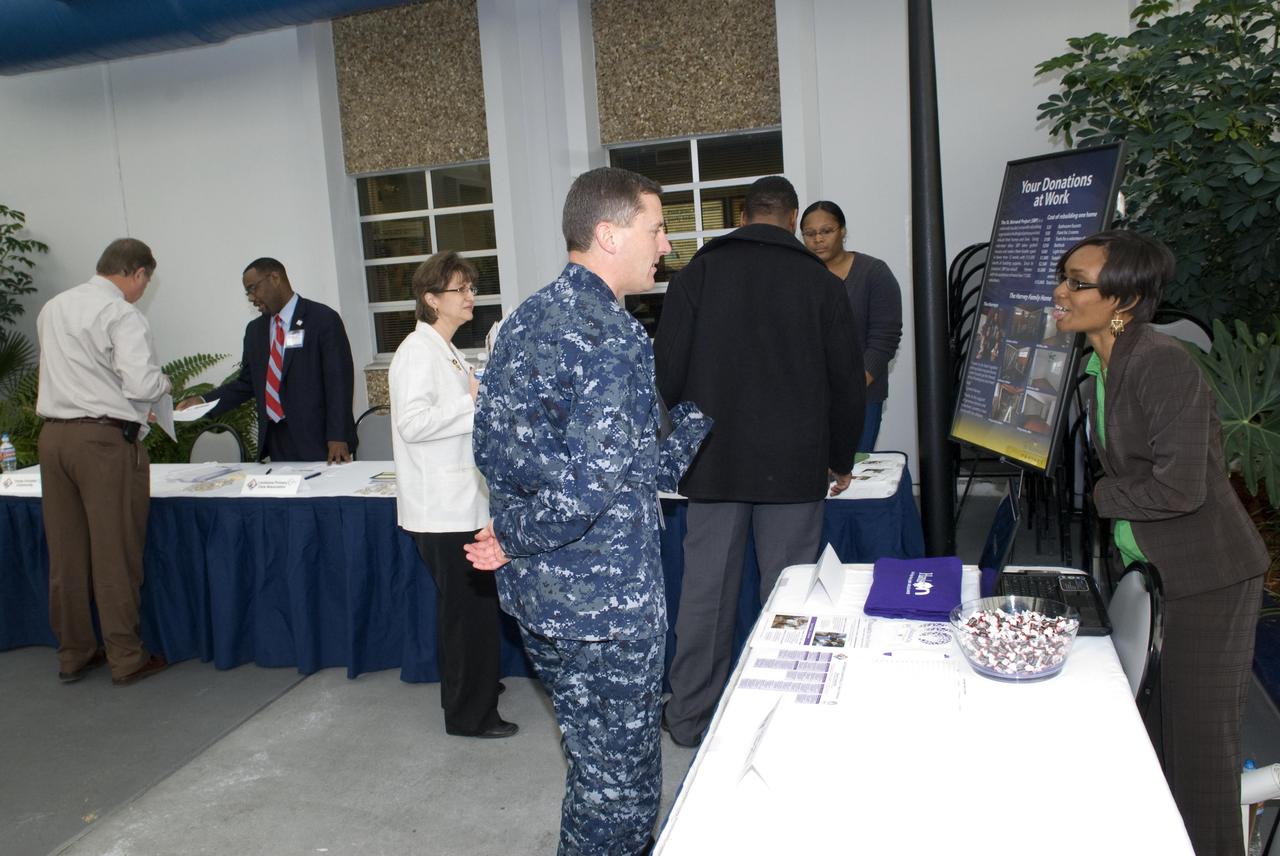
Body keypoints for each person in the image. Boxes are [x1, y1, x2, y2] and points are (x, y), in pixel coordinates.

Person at [466, 166, 709, 855]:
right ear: (608, 233)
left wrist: (697, 415)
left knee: (594, 770)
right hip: (606, 609)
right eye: (656, 228)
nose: (665, 244)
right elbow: (592, 488)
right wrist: (513, 535)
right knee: (621, 794)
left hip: (545, 601)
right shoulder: (613, 335)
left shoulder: (523, 320)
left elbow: (495, 448)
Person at [1052, 229, 1268, 856]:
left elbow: (1180, 489)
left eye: (1078, 283)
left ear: (1125, 300)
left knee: (1199, 756)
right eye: (1064, 278)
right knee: (1152, 736)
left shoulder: (1161, 361)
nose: (1060, 293)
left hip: (1208, 577)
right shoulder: (1097, 364)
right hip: (1154, 570)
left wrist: (1100, 497)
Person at [653, 176, 864, 748]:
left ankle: (690, 718)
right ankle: (782, 720)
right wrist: (840, 456)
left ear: (742, 215)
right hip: (795, 466)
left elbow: (664, 375)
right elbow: (848, 381)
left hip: (713, 462)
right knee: (792, 595)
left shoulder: (696, 275)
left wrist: (678, 445)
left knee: (706, 595)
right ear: (793, 219)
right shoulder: (819, 281)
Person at [389, 251, 514, 739]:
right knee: (467, 616)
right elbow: (413, 424)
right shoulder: (416, 352)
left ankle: (474, 691)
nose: (470, 297)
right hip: (441, 510)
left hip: (459, 501)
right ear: (430, 298)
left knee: (470, 613)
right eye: (460, 289)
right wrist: (473, 404)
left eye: (471, 288)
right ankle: (469, 715)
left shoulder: (448, 349)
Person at [36, 238, 171, 686]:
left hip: (53, 440)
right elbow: (139, 382)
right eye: (145, 281)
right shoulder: (120, 313)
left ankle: (74, 652)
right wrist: (162, 383)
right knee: (115, 553)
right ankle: (126, 657)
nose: (142, 290)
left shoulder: (54, 307)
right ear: (137, 273)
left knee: (67, 554)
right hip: (102, 443)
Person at [179, 258, 356, 463]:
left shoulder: (322, 319)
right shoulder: (255, 331)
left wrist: (337, 436)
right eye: (247, 293)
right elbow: (246, 383)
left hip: (320, 440)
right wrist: (202, 402)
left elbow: (339, 382)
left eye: (253, 288)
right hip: (276, 439)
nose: (251, 298)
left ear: (275, 278)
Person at [800, 200, 903, 451]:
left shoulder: (874, 273)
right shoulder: (798, 276)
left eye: (826, 231)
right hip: (809, 401)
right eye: (810, 233)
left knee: (854, 476)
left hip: (861, 398)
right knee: (812, 479)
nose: (818, 239)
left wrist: (851, 386)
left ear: (843, 231)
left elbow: (884, 340)